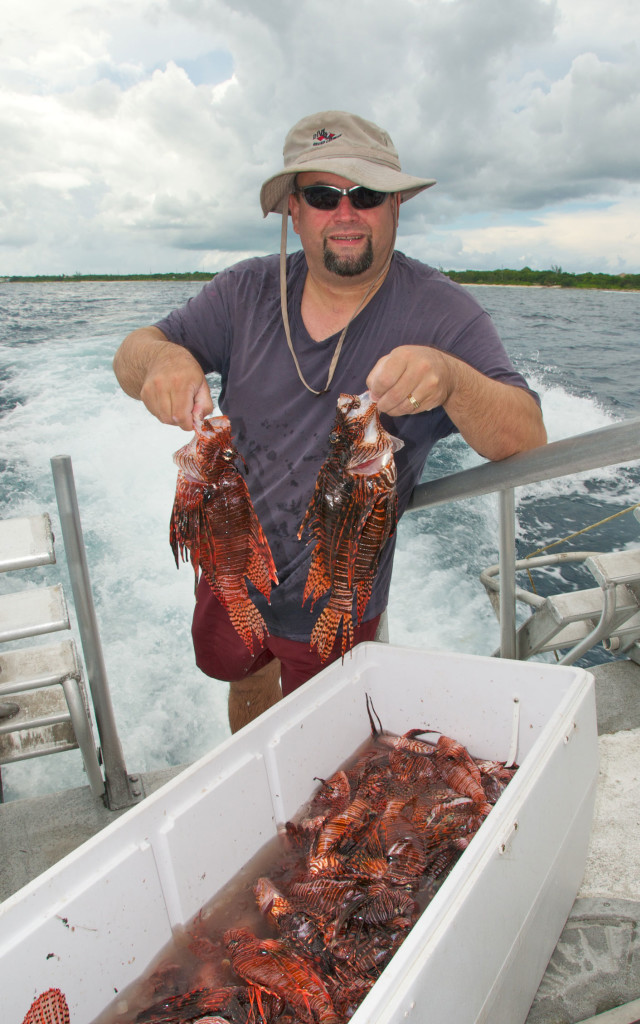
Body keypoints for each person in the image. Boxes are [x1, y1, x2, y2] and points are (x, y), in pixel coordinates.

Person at [113, 110, 547, 733]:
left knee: (330, 740)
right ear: (294, 209)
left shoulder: (443, 312)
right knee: (244, 677)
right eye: (323, 195)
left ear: (397, 205)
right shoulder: (245, 291)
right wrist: (162, 359)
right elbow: (132, 353)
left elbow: (526, 436)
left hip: (341, 588)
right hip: (233, 563)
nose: (346, 213)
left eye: (366, 195)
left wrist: (451, 378)